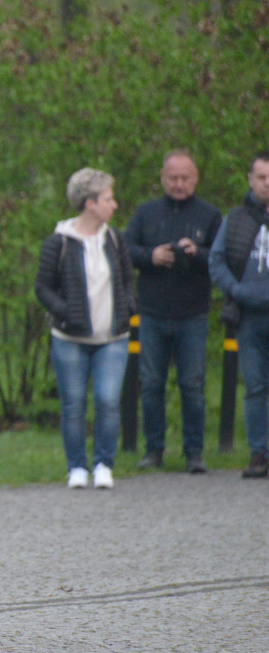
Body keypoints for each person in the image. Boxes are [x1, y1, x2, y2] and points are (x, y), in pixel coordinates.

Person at [35, 168, 135, 489]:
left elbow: (129, 281)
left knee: (107, 401)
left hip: (113, 338)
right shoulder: (59, 243)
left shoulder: (116, 239)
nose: (114, 205)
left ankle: (104, 464)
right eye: (108, 199)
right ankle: (76, 467)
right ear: (89, 203)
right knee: (74, 404)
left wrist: (129, 309)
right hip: (69, 340)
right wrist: (66, 313)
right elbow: (43, 288)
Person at [125, 150, 221, 473]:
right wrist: (151, 256)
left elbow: (221, 259)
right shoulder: (146, 213)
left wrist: (198, 253)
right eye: (173, 178)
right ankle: (154, 449)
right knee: (151, 383)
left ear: (195, 179)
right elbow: (126, 251)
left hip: (192, 313)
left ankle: (194, 452)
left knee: (192, 384)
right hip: (152, 312)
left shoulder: (209, 215)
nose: (179, 184)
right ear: (162, 179)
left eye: (185, 178)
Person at [209, 151, 269, 479]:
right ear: (250, 180)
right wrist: (235, 290)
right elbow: (216, 261)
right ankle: (259, 452)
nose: (267, 184)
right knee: (256, 386)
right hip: (248, 316)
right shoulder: (236, 219)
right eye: (261, 177)